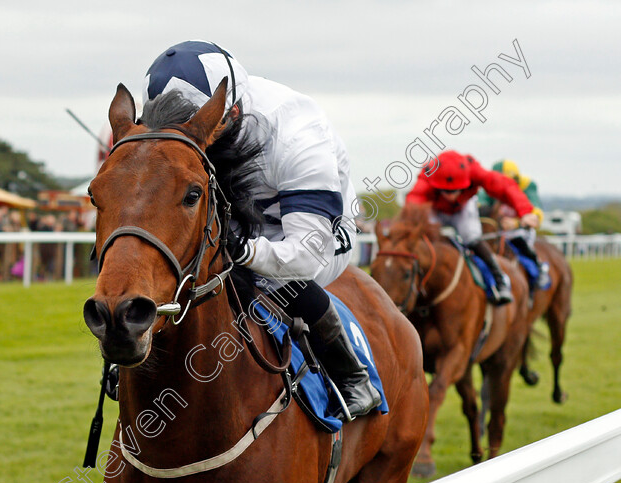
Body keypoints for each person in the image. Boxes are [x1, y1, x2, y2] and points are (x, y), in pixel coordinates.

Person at [142, 40, 379, 418]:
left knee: (260, 275)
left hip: (314, 230)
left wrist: (246, 251)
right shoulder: (171, 123)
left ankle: (352, 375)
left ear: (231, 111)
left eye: (202, 130)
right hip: (234, 205)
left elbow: (307, 254)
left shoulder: (297, 133)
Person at [405, 150, 541, 305]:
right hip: (435, 208)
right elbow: (413, 202)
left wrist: (525, 211)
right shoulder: (427, 176)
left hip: (463, 208)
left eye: (456, 190)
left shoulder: (474, 171)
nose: (451, 196)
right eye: (446, 191)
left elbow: (504, 186)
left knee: (471, 237)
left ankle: (499, 278)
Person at [478, 159, 549, 289]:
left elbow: (537, 215)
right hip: (496, 231)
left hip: (520, 231)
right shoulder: (488, 189)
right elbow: (480, 205)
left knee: (519, 241)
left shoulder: (527, 186)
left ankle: (539, 268)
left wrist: (516, 223)